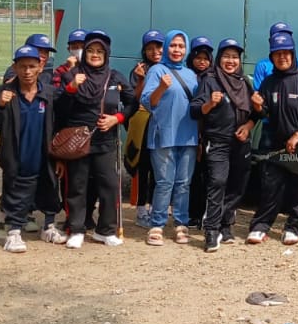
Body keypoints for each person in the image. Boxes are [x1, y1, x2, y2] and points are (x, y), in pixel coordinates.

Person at [56, 31, 133, 248]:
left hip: (105, 141)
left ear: (107, 54)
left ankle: (105, 230)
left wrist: (117, 118)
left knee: (109, 185)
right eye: (90, 50)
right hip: (78, 141)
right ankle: (76, 229)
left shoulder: (115, 77)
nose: (95, 55)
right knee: (77, 186)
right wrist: (71, 89)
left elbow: (132, 103)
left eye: (100, 51)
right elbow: (60, 110)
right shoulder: (72, 75)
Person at [247, 31, 298, 245]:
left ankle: (294, 228)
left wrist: (297, 135)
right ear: (272, 57)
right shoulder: (269, 82)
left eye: (286, 53)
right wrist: (258, 108)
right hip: (278, 144)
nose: (282, 57)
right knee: (271, 186)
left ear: (292, 54)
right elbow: (265, 113)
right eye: (277, 54)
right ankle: (261, 226)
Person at [0, 46, 58, 253]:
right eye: (22, 66)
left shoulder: (49, 93)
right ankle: (13, 233)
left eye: (32, 66)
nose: (27, 71)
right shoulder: (3, 92)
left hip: (43, 156)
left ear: (40, 67)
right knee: (16, 194)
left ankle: (49, 226)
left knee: (49, 188)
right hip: (17, 157)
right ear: (14, 67)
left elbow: (60, 122)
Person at [191, 38, 256, 252]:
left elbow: (257, 113)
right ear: (219, 58)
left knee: (237, 185)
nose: (231, 61)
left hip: (241, 143)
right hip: (217, 141)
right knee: (217, 182)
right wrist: (210, 103)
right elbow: (194, 110)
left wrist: (247, 126)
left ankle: (226, 225)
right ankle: (211, 230)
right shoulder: (210, 80)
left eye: (235, 57)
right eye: (226, 56)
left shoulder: (244, 82)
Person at [140, 30, 199, 246]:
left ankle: (181, 224)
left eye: (181, 46)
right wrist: (162, 87)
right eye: (173, 45)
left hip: (189, 136)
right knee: (164, 183)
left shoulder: (191, 74)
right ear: (166, 47)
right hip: (163, 134)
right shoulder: (157, 70)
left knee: (183, 183)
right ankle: (157, 225)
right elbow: (148, 102)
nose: (177, 50)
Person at [128, 29, 164, 228]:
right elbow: (136, 98)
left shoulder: (169, 68)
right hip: (144, 124)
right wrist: (141, 79)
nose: (155, 51)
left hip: (162, 124)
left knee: (160, 168)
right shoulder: (140, 69)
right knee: (143, 167)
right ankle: (141, 209)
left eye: (158, 46)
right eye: (150, 48)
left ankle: (156, 208)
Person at [186, 35, 215, 229]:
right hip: (188, 131)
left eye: (206, 58)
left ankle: (205, 214)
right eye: (198, 57)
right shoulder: (186, 75)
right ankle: (192, 214)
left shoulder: (214, 78)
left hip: (207, 133)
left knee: (207, 175)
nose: (202, 62)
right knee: (192, 176)